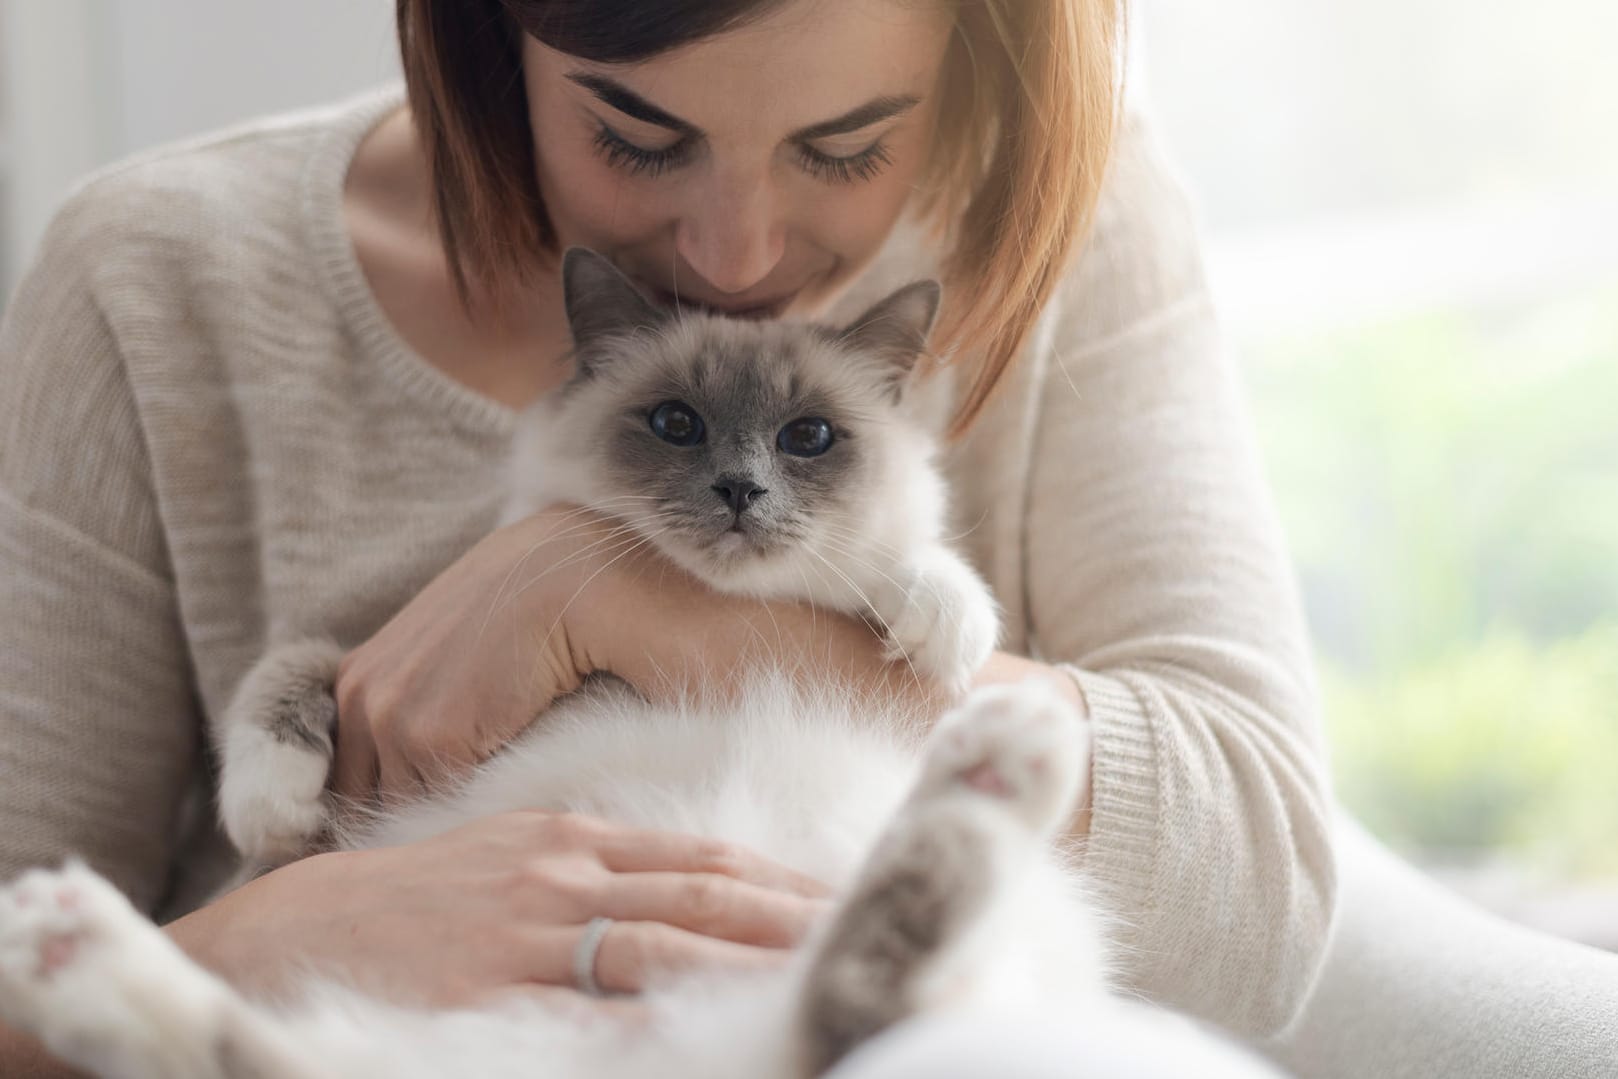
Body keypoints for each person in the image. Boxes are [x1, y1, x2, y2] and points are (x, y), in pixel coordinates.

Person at [1, 1, 1612, 1077]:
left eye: (844, 147)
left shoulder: (1070, 208)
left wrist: (631, 605)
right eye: (638, 137)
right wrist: (250, 938)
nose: (738, 249)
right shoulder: (157, 277)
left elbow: (1262, 875)